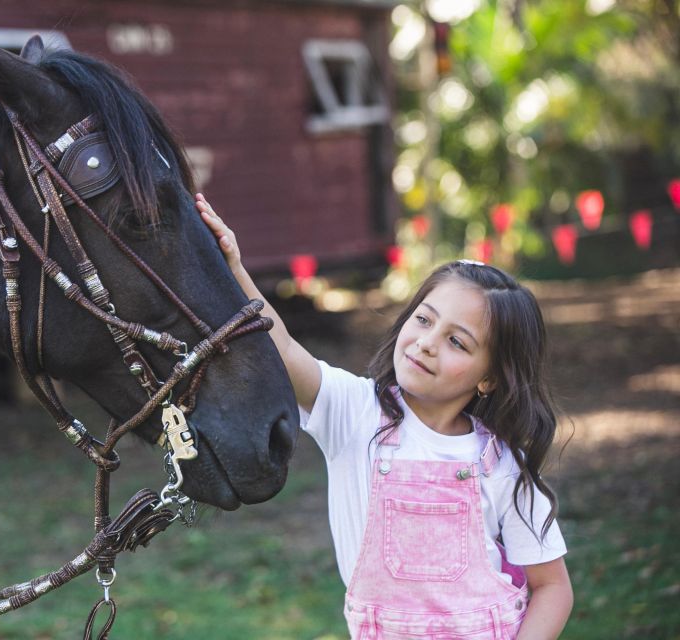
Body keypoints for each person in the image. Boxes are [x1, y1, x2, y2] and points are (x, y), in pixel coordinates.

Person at [195, 193, 573, 639]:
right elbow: (285, 349)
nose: (428, 342)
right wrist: (235, 268)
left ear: (489, 378)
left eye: (458, 342)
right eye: (424, 319)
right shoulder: (354, 412)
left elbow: (552, 588)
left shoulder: (502, 464)